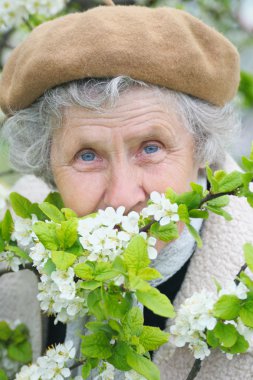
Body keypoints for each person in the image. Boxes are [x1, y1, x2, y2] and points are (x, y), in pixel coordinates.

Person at [0, 3, 253, 379]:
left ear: (201, 149)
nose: (122, 196)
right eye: (87, 155)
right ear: (47, 168)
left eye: (151, 148)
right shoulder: (13, 256)